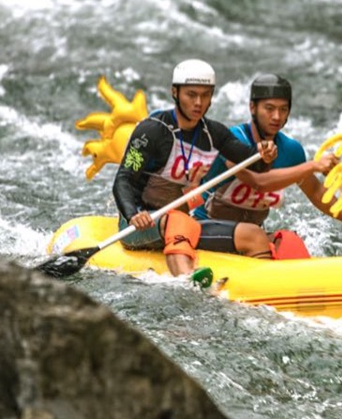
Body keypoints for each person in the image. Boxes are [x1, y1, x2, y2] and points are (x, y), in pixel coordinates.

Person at [112, 59, 277, 286]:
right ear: (175, 92)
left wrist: (266, 153)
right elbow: (123, 179)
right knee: (178, 221)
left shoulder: (213, 133)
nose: (199, 102)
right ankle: (188, 285)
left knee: (254, 234)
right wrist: (133, 214)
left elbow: (255, 162)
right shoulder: (151, 131)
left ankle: (267, 288)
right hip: (140, 225)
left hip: (181, 224)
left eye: (205, 95)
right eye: (191, 94)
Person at [192, 74, 342, 252]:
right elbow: (258, 182)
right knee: (253, 234)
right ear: (253, 108)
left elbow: (315, 192)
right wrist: (313, 165)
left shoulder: (291, 150)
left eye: (283, 109)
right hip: (204, 228)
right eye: (269, 108)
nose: (277, 116)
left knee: (291, 242)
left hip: (251, 236)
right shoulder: (233, 141)